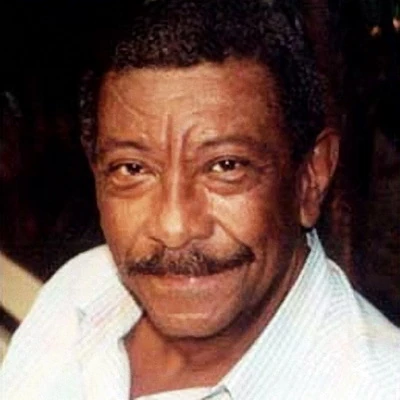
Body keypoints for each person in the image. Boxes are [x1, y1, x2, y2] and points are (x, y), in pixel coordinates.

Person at [1, 1, 399, 399]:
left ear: (310, 178)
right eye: (133, 169)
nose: (174, 227)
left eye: (225, 166)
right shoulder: (81, 291)